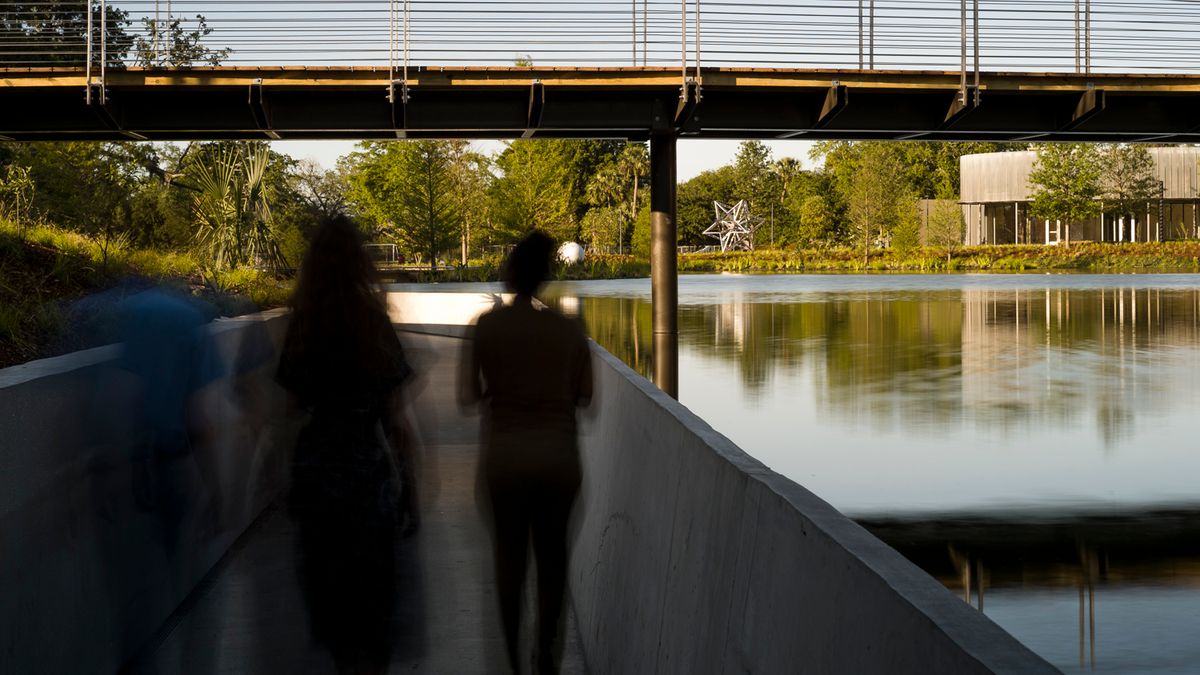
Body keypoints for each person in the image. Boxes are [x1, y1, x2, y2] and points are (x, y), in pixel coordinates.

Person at [275, 216, 418, 675]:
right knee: (372, 609)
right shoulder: (373, 323)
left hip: (317, 472)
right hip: (365, 474)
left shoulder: (304, 325)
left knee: (333, 606)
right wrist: (409, 485)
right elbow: (394, 417)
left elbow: (292, 405)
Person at [460, 231, 593, 674]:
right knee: (552, 561)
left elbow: (467, 396)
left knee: (509, 561)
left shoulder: (488, 326)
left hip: (505, 459)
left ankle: (514, 661)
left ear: (510, 271)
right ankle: (545, 656)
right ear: (546, 276)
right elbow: (586, 397)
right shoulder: (569, 330)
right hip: (558, 460)